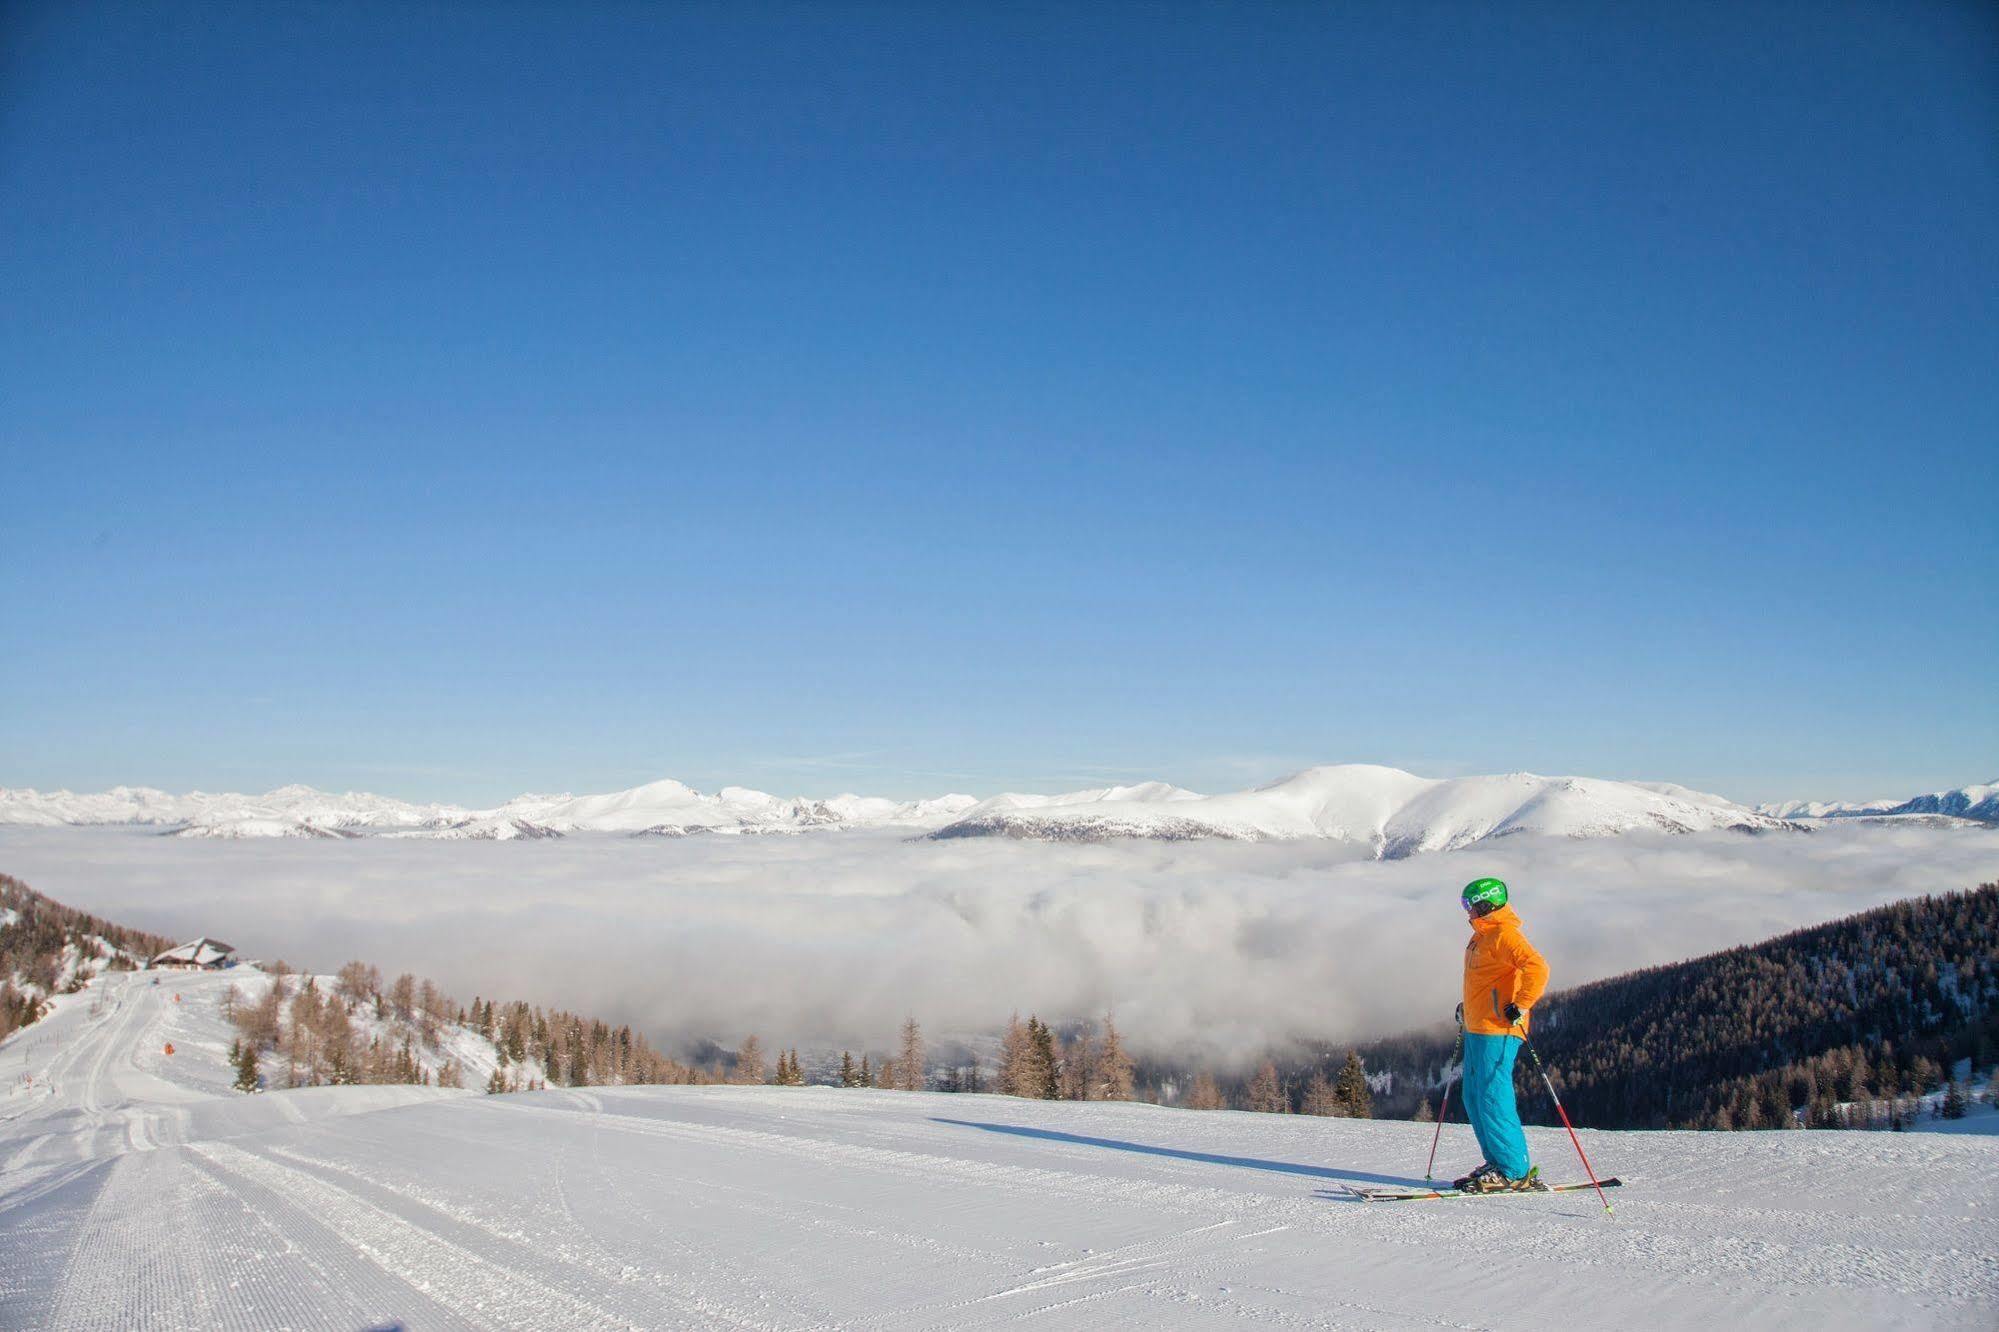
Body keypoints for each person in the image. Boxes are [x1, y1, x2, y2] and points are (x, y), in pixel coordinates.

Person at [1452, 877, 1551, 1193]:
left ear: (1485, 904)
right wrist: (1467, 1007)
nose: (1467, 911)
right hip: (1478, 1027)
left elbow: (1537, 968)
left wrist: (1520, 1004)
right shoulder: (1481, 936)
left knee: (1493, 1097)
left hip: (1499, 1030)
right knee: (1473, 1096)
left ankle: (1514, 1170)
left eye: (1470, 905)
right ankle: (1496, 1161)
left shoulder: (1505, 935)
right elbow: (1485, 980)